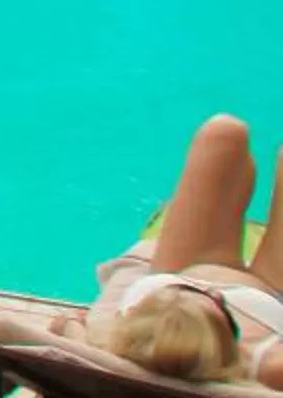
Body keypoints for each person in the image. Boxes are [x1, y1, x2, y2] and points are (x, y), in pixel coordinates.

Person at [79, 115, 283, 387]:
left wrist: (70, 331)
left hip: (181, 268)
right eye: (219, 306)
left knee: (222, 132)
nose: (212, 290)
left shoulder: (115, 342)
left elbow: (44, 331)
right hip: (265, 290)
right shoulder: (268, 366)